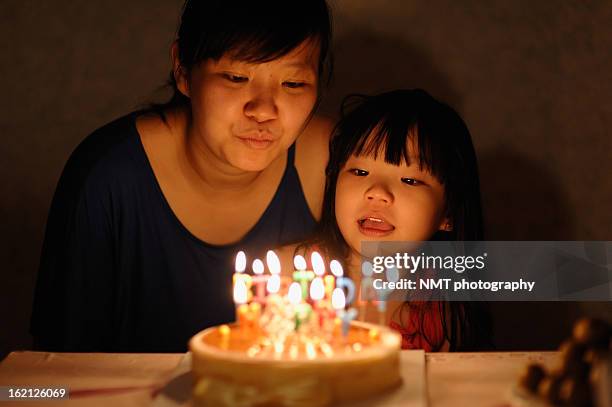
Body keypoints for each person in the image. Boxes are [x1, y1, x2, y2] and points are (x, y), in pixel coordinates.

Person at [30, 0, 333, 352]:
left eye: (294, 83)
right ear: (183, 70)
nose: (264, 110)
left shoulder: (335, 159)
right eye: (236, 77)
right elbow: (54, 371)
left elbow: (404, 286)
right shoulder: (107, 175)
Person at [282, 89, 492, 351]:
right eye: (359, 171)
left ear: (448, 214)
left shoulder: (446, 315)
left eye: (410, 180)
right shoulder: (288, 276)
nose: (377, 192)